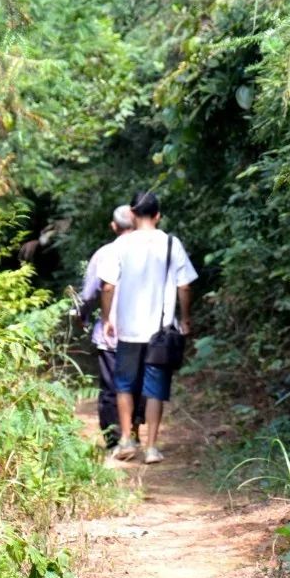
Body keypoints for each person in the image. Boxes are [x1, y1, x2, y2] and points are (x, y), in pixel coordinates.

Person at [99, 191, 198, 464]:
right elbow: (185, 285)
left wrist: (108, 318)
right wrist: (185, 318)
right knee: (155, 388)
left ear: (132, 214)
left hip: (128, 328)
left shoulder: (121, 245)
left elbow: (107, 286)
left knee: (124, 385)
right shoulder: (171, 244)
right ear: (158, 215)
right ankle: (152, 448)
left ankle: (126, 440)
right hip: (161, 330)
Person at [75, 205, 144, 448]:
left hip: (111, 332)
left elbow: (92, 292)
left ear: (114, 226)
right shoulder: (150, 249)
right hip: (144, 330)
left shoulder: (105, 253)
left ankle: (115, 441)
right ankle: (133, 431)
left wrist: (83, 315)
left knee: (111, 388)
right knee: (138, 382)